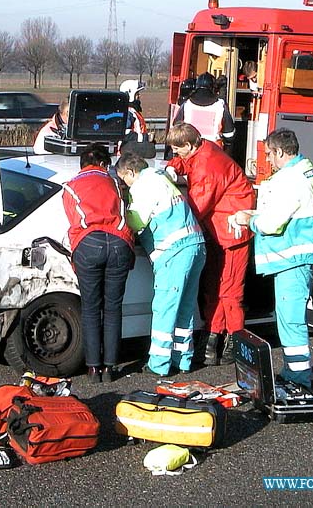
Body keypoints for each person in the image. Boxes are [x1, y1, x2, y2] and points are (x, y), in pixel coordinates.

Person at [231, 128, 313, 388]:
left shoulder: (291, 180)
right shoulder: (307, 172)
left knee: (291, 322)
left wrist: (247, 220)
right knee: (290, 320)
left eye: (270, 155)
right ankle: (294, 373)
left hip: (293, 259)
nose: (269, 161)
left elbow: (272, 223)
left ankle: (298, 379)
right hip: (301, 255)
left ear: (281, 152)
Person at [165, 123, 255, 366]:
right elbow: (187, 163)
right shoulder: (205, 150)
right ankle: (216, 339)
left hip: (233, 230)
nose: (176, 154)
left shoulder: (207, 166)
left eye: (177, 150)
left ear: (189, 144)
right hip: (221, 229)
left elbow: (198, 206)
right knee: (217, 287)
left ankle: (232, 341)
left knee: (230, 291)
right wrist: (173, 167)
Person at [115, 152, 206, 376]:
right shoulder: (161, 176)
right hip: (195, 244)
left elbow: (135, 221)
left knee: (164, 307)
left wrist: (122, 212)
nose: (124, 184)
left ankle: (159, 364)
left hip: (174, 251)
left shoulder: (143, 185)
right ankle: (183, 360)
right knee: (185, 306)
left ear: (131, 172)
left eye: (123, 179)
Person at [62, 143, 134, 383]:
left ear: (82, 164)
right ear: (104, 164)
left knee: (91, 308)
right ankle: (111, 367)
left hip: (88, 243)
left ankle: (93, 368)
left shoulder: (70, 186)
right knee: (113, 308)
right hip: (119, 243)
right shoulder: (114, 182)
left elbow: (73, 221)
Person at [173, 72, 236, 149]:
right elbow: (229, 135)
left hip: (190, 151)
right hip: (213, 151)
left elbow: (176, 128)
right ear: (213, 88)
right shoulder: (220, 106)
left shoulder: (186, 105)